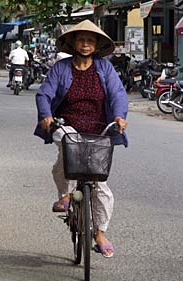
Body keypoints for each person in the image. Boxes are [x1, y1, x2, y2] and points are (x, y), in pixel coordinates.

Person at [34, 19, 128, 258]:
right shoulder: (61, 67)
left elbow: (118, 93)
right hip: (66, 125)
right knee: (65, 156)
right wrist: (46, 116)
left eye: (90, 40)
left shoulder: (104, 68)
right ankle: (64, 196)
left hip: (99, 129)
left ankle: (99, 232)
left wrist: (119, 116)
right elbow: (45, 93)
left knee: (101, 185)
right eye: (81, 39)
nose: (85, 44)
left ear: (96, 45)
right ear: (73, 43)